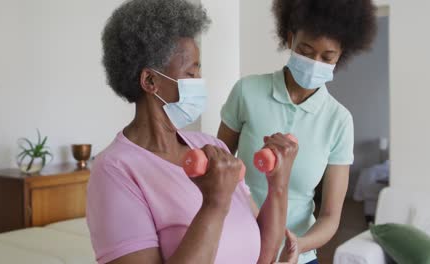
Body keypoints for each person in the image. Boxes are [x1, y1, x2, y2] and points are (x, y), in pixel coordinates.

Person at [87, 0, 299, 263]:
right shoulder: (115, 170)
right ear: (150, 81)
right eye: (191, 73)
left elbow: (264, 256)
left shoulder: (213, 148)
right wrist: (215, 203)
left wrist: (278, 183)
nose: (199, 83)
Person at [218, 0, 377, 263]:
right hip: (237, 246)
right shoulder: (247, 91)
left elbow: (330, 216)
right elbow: (219, 166)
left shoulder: (338, 120)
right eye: (306, 50)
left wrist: (299, 245)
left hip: (296, 256)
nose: (315, 62)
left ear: (340, 56)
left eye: (327, 57)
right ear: (290, 39)